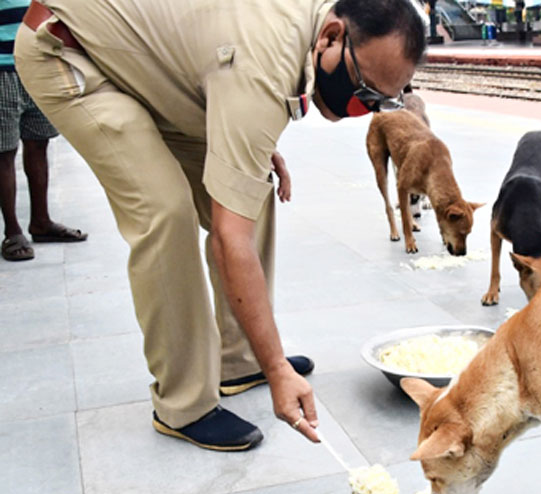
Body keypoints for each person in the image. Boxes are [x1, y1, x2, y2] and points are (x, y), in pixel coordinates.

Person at [15, 0, 426, 451]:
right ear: (329, 36)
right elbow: (233, 239)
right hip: (73, 54)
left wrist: (245, 141)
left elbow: (230, 79)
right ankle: (183, 403)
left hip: (148, 66)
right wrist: (278, 372)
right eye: (364, 88)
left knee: (253, 193)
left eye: (379, 100)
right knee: (164, 212)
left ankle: (239, 359)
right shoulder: (264, 69)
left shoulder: (301, 33)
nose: (363, 108)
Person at [0, 0, 85, 262]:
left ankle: (41, 221)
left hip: (36, 62)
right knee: (4, 151)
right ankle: (12, 231)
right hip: (2, 69)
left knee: (38, 142)